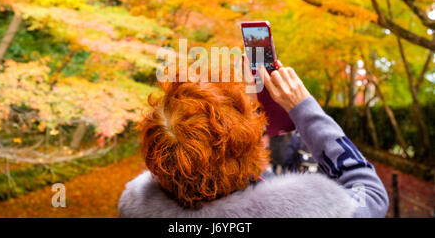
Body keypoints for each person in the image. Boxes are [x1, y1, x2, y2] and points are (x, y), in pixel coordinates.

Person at [118, 62, 389, 217]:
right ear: (253, 149)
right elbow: (371, 194)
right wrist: (304, 107)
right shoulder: (308, 210)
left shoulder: (134, 208)